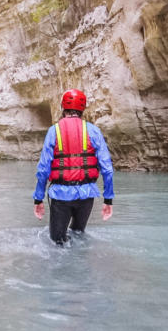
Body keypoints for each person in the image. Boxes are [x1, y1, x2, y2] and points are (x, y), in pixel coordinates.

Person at [33, 89, 114, 245]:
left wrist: (38, 199)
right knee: (78, 235)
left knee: (57, 243)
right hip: (87, 195)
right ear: (82, 109)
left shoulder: (53, 131)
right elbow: (107, 169)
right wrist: (108, 200)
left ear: (63, 106)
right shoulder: (94, 131)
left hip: (60, 195)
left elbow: (43, 169)